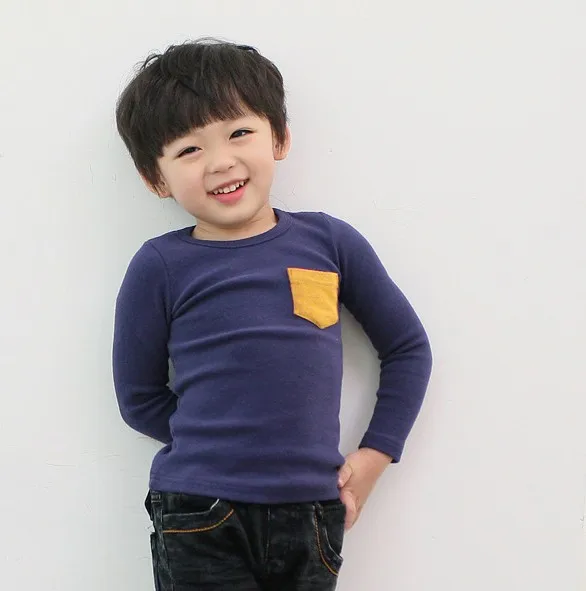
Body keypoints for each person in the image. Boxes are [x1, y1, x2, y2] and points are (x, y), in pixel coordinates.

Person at [113, 38, 432, 591]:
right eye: (189, 150)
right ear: (155, 178)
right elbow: (139, 398)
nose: (221, 161)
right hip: (198, 509)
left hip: (310, 508)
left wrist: (376, 455)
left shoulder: (330, 243)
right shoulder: (159, 265)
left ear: (280, 137)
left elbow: (407, 348)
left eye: (239, 132)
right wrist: (223, 442)